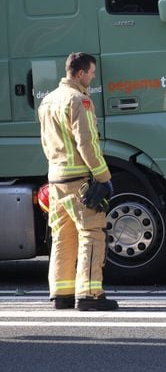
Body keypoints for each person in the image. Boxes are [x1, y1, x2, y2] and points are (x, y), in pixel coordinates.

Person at [38, 52, 118, 311]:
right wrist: (103, 177)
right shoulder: (79, 100)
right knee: (92, 234)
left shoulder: (47, 101)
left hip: (56, 179)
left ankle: (61, 293)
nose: (93, 78)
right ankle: (90, 294)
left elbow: (46, 143)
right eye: (92, 73)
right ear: (81, 73)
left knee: (62, 237)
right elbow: (87, 143)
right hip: (78, 179)